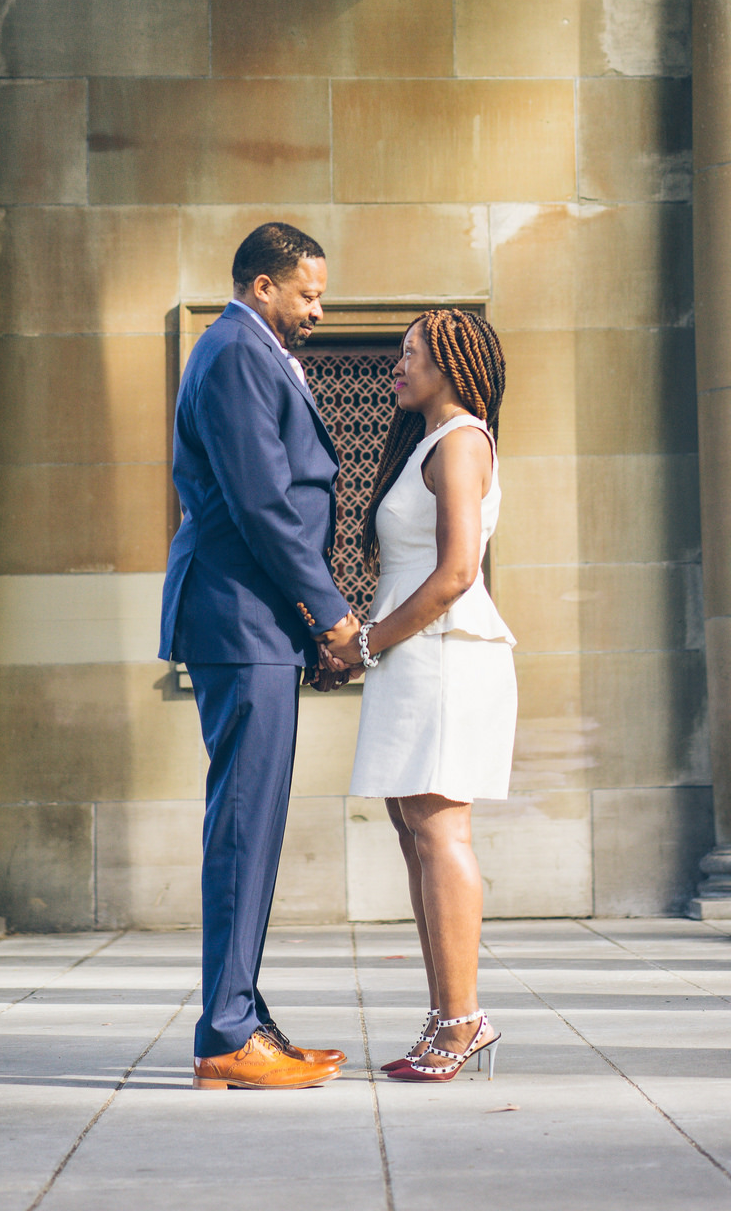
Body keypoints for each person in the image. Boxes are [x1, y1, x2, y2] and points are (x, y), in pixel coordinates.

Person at [160, 221, 361, 1092]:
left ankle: (243, 1016)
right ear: (260, 285)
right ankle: (227, 1033)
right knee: (244, 825)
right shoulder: (236, 350)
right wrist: (327, 614)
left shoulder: (251, 349)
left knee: (254, 824)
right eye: (307, 293)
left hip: (253, 623)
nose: (318, 308)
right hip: (242, 619)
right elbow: (261, 501)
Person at [321, 308, 515, 1083]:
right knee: (414, 832)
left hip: (444, 654)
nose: (396, 367)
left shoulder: (462, 440)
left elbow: (457, 572)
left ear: (449, 365)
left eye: (409, 355)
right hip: (415, 657)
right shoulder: (430, 444)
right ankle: (446, 1016)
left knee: (440, 832)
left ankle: (462, 1019)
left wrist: (367, 644)